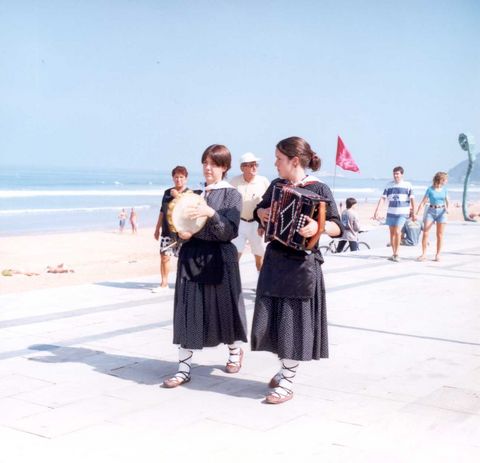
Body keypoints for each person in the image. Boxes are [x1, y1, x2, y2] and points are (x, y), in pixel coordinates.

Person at [252, 136, 342, 404]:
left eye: (279, 159)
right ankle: (284, 371)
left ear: (294, 161)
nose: (275, 164)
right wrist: (262, 215)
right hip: (275, 260)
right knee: (276, 322)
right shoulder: (277, 186)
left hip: (302, 266)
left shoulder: (319, 188)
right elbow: (259, 210)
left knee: (293, 323)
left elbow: (338, 227)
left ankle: (287, 381)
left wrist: (319, 227)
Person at [162, 144, 247, 388]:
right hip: (193, 255)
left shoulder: (231, 195)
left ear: (225, 167)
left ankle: (234, 351)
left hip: (220, 257)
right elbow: (182, 224)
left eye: (215, 164)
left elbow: (229, 231)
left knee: (225, 308)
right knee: (188, 310)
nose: (208, 168)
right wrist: (183, 233)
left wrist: (211, 212)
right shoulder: (196, 193)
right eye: (206, 163)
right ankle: (184, 368)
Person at [230, 152, 270, 271]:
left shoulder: (263, 181)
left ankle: (260, 286)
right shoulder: (234, 181)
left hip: (257, 225)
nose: (254, 167)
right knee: (234, 257)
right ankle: (232, 286)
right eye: (251, 165)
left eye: (256, 164)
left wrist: (263, 225)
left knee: (259, 258)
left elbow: (269, 203)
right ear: (243, 167)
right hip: (239, 223)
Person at [153, 166, 189, 292]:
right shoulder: (167, 193)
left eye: (181, 177)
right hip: (167, 230)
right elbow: (162, 211)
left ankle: (183, 284)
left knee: (183, 258)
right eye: (176, 177)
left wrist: (178, 196)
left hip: (181, 232)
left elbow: (188, 208)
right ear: (173, 178)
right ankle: (164, 283)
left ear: (186, 179)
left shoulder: (190, 193)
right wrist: (157, 228)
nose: (178, 180)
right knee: (164, 256)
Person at [373, 166, 415, 262]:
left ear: (402, 174)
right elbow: (383, 198)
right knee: (392, 234)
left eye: (397, 174)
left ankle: (397, 253)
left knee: (397, 232)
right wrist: (377, 210)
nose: (395, 176)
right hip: (391, 212)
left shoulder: (408, 185)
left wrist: (414, 213)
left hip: (402, 213)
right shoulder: (389, 185)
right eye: (394, 174)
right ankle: (394, 253)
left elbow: (412, 199)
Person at [416, 171, 449, 262]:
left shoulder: (444, 190)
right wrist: (417, 213)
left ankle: (438, 255)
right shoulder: (430, 189)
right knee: (425, 232)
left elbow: (447, 201)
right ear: (440, 179)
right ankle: (424, 254)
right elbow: (423, 202)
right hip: (431, 211)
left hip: (441, 212)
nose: (446, 181)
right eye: (445, 180)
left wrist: (447, 209)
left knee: (440, 235)